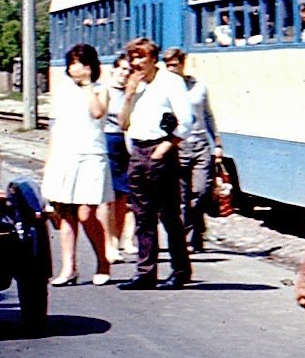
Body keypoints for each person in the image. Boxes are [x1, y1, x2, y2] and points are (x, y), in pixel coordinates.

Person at [117, 36, 195, 290]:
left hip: (160, 149)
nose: (137, 63)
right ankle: (145, 272)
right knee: (142, 215)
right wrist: (128, 96)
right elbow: (123, 124)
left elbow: (187, 120)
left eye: (141, 57)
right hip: (137, 151)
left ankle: (180, 270)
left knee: (169, 214)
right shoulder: (135, 86)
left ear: (153, 59)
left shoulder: (170, 82)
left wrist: (163, 149)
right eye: (133, 58)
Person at [43, 44, 113, 287]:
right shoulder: (62, 92)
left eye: (82, 64)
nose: (77, 68)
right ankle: (68, 268)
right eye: (73, 63)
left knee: (86, 213)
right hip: (66, 155)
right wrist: (49, 164)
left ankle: (103, 262)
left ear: (92, 66)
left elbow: (97, 113)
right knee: (66, 214)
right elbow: (56, 128)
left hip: (92, 156)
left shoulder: (101, 90)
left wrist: (87, 86)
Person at [162, 47, 220, 253]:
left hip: (200, 143)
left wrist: (218, 144)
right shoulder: (164, 88)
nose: (171, 69)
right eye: (167, 66)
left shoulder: (198, 86)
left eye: (175, 65)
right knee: (183, 196)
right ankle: (190, 238)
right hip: (177, 145)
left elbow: (208, 115)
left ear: (183, 63)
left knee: (202, 191)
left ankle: (196, 228)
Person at [102, 52, 136, 262]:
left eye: (129, 70)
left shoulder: (132, 92)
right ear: (114, 69)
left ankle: (122, 238)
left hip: (128, 144)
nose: (125, 74)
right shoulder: (105, 91)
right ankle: (110, 242)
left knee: (124, 196)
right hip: (109, 141)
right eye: (122, 69)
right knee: (109, 197)